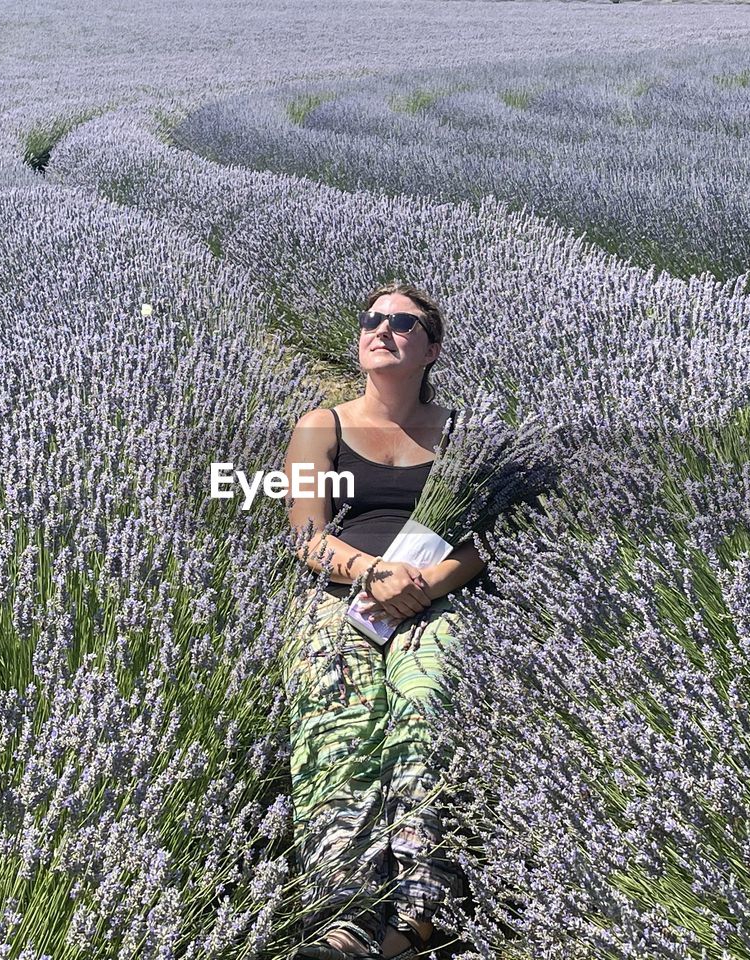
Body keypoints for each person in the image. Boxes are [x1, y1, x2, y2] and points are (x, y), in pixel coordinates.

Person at [280, 280, 488, 960]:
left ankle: (420, 913)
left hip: (436, 597)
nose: (383, 330)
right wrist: (373, 573)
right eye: (372, 319)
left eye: (403, 322)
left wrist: (426, 584)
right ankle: (346, 918)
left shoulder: (466, 435)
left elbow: (486, 540)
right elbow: (307, 536)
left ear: (432, 348)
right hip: (341, 594)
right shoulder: (322, 426)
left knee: (426, 710)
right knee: (338, 720)